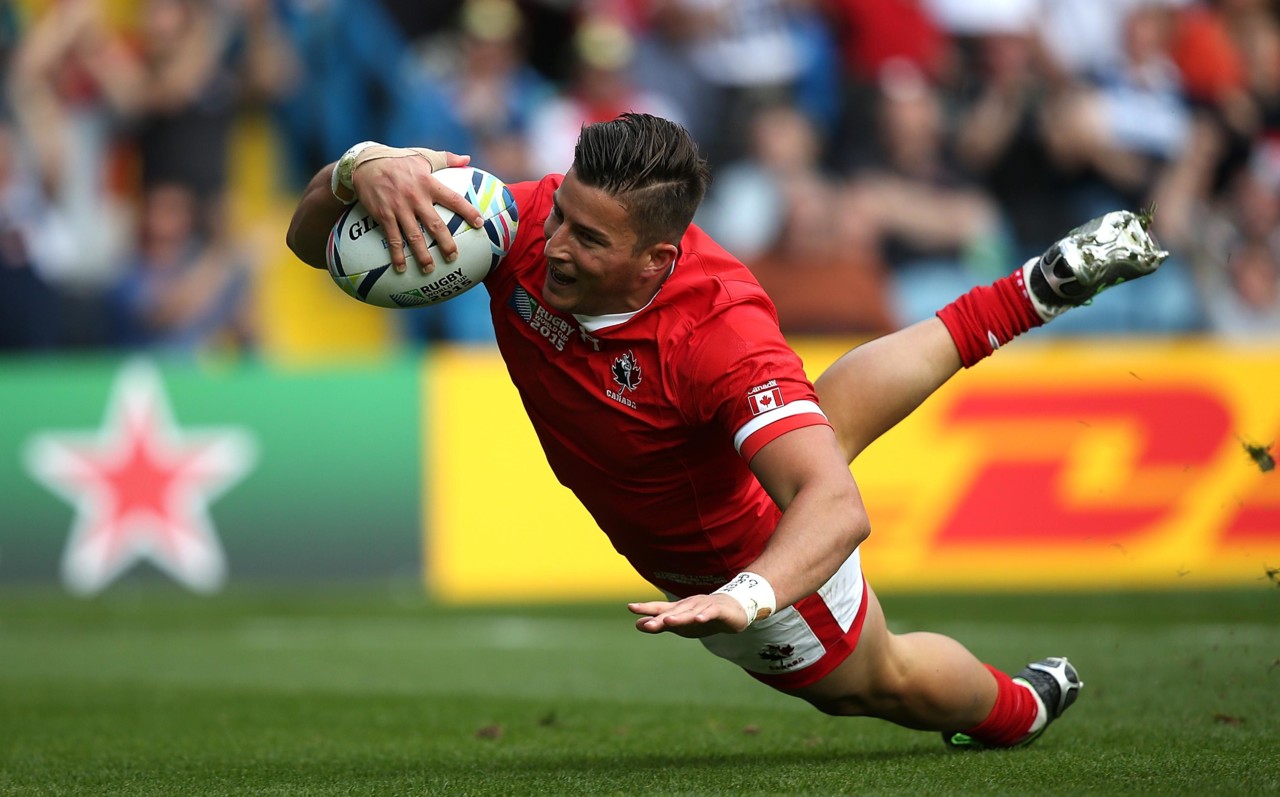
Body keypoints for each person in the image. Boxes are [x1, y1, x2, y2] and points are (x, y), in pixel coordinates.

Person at [285, 113, 1167, 750]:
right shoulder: (514, 221)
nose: (553, 246)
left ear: (655, 260)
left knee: (875, 685)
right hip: (707, 471)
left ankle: (1020, 706)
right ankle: (1036, 288)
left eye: (587, 239)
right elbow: (307, 243)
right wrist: (359, 168)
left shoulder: (718, 334)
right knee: (820, 421)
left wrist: (745, 592)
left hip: (739, 546)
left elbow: (834, 506)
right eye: (560, 215)